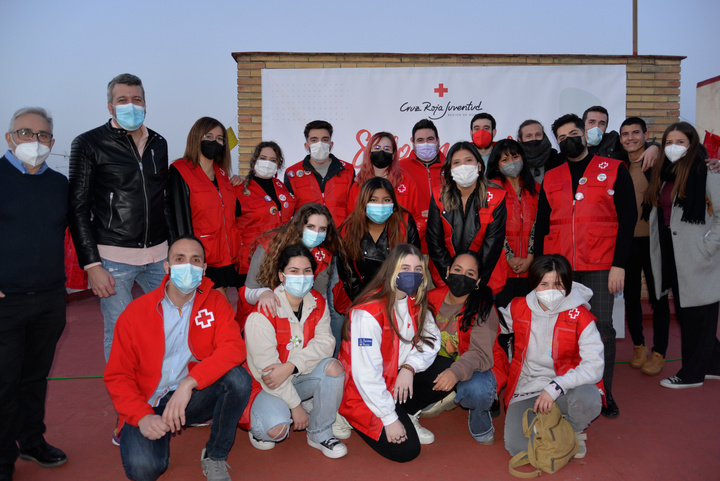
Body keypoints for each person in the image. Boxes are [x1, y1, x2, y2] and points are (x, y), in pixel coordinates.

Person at [104, 235, 252, 481]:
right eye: (180, 259)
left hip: (190, 396)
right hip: (148, 402)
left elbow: (234, 348)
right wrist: (141, 416)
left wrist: (189, 383)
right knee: (144, 470)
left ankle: (215, 456)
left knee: (238, 379)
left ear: (204, 269)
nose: (188, 266)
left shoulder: (215, 301)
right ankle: (151, 430)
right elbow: (118, 375)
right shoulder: (136, 312)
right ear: (167, 266)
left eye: (196, 260)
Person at [534, 113, 636, 418]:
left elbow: (628, 219)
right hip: (561, 269)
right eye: (562, 137)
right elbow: (542, 227)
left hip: (602, 265)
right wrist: (541, 270)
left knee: (602, 329)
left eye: (573, 133)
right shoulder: (551, 177)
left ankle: (605, 392)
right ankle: (563, 389)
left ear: (586, 132)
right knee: (561, 330)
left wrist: (619, 265)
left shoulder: (615, 168)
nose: (569, 140)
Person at [69, 73, 169, 362]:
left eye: (136, 99)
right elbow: (77, 207)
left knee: (168, 325)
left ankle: (163, 392)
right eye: (122, 100)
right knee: (121, 331)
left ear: (146, 104)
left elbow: (163, 200)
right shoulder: (88, 143)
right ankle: (126, 402)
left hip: (159, 255)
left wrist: (173, 251)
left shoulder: (158, 143)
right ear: (110, 107)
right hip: (112, 258)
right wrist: (92, 265)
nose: (131, 105)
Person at [1, 107, 68, 479]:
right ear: (10, 137)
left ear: (52, 142)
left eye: (42, 135)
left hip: (49, 298)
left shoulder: (59, 185)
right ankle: (1, 458)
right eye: (26, 132)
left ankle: (31, 442)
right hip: (5, 302)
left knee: (35, 378)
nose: (34, 140)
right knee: (4, 384)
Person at [338, 244, 443, 463]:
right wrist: (389, 418)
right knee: (407, 451)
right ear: (391, 270)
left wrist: (409, 367)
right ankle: (346, 414)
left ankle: (406, 412)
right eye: (405, 267)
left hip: (396, 379)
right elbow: (365, 375)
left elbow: (432, 341)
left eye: (417, 269)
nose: (411, 274)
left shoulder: (416, 301)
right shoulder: (369, 312)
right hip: (363, 390)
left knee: (447, 370)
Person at [241, 244, 347, 458]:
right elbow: (269, 374)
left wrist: (291, 366)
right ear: (281, 275)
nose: (302, 276)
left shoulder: (317, 300)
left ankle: (319, 432)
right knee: (276, 430)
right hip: (265, 385)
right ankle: (259, 425)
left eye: (307, 271)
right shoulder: (263, 312)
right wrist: (296, 406)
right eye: (294, 271)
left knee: (333, 367)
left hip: (295, 374)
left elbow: (326, 343)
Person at [499, 254, 604, 459]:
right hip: (528, 385)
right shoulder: (519, 307)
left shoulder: (580, 316)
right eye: (543, 283)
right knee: (518, 449)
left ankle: (573, 430)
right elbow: (493, 326)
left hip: (565, 386)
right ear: (534, 284)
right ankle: (551, 421)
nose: (550, 291)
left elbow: (594, 367)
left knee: (589, 398)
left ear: (567, 283)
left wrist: (556, 387)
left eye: (557, 284)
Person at [644, 122, 720, 388]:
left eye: (680, 142)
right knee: (689, 310)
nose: (673, 147)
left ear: (692, 144)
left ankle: (692, 374)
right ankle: (713, 365)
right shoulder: (666, 172)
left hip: (697, 253)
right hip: (671, 251)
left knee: (700, 313)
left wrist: (708, 246)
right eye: (669, 142)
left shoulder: (707, 171)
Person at [242, 203, 349, 350]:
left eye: (322, 229)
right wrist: (264, 293)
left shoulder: (324, 256)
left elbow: (320, 297)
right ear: (298, 225)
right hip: (265, 316)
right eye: (310, 226)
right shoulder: (270, 245)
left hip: (302, 321)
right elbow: (248, 292)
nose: (316, 233)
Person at [425, 251, 498, 444]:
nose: (462, 276)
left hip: (476, 369)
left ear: (477, 281)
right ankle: (446, 393)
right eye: (458, 270)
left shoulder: (484, 306)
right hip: (436, 364)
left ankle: (479, 418)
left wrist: (455, 373)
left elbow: (479, 354)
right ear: (448, 272)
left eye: (470, 273)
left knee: (478, 390)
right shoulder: (429, 298)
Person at [617, 117, 671, 375]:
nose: (630, 138)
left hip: (655, 242)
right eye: (625, 134)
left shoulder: (658, 161)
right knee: (630, 297)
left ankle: (659, 352)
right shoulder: (618, 164)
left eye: (635, 133)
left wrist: (656, 147)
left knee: (659, 299)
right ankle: (639, 345)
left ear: (645, 134)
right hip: (627, 242)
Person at [169, 117, 242, 297]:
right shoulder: (180, 170)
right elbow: (177, 218)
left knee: (216, 309)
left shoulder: (223, 173)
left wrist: (240, 186)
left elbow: (235, 212)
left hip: (225, 255)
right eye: (208, 136)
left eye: (220, 139)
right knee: (217, 309)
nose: (215, 142)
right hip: (200, 255)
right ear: (197, 138)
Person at [426, 141, 507, 291]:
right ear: (450, 170)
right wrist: (452, 277)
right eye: (456, 162)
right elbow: (434, 242)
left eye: (469, 160)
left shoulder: (497, 196)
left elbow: (493, 245)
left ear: (479, 165)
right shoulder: (439, 196)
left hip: (484, 279)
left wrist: (473, 278)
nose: (463, 166)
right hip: (446, 278)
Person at [339, 177, 421, 301]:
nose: (380, 205)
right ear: (363, 202)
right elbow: (347, 273)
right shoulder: (348, 228)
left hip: (400, 296)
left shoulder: (405, 223)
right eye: (373, 200)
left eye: (386, 200)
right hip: (363, 298)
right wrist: (363, 301)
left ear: (393, 202)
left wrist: (400, 298)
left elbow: (414, 265)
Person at [486, 139, 540, 311]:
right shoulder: (490, 191)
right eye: (505, 159)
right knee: (503, 318)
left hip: (531, 267)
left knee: (527, 316)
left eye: (515, 157)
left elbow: (539, 225)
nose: (512, 163)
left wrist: (530, 257)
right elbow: (490, 226)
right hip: (501, 267)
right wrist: (509, 256)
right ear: (496, 164)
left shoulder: (537, 189)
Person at [233, 141, 295, 278]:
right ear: (255, 160)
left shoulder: (282, 188)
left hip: (280, 259)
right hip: (251, 262)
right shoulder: (239, 190)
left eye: (273, 160)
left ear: (279, 164)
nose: (268, 163)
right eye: (263, 158)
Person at [346, 131, 423, 234]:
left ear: (393, 154)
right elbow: (351, 219)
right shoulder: (359, 183)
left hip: (400, 244)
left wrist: (406, 238)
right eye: (377, 148)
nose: (381, 152)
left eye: (387, 149)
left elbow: (418, 217)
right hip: (367, 245)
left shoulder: (406, 181)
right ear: (369, 152)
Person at [284, 120, 354, 227]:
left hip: (340, 238)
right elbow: (287, 212)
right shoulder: (292, 174)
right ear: (307, 146)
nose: (320, 144)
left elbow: (354, 207)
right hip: (306, 238)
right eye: (314, 140)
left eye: (325, 139)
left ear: (331, 144)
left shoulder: (348, 170)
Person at [398, 119, 446, 251]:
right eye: (420, 140)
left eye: (430, 139)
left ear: (438, 141)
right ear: (412, 143)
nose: (425, 144)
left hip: (445, 245)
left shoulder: (452, 166)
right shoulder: (399, 168)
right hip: (414, 244)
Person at [583, 105, 659, 170]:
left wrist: (655, 147)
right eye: (591, 122)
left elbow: (637, 145)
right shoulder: (574, 144)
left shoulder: (613, 141)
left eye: (602, 123)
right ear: (582, 125)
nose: (596, 127)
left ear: (606, 127)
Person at [516, 119, 564, 184]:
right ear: (520, 139)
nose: (534, 139)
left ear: (544, 136)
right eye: (529, 136)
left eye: (538, 135)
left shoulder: (557, 159)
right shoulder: (516, 162)